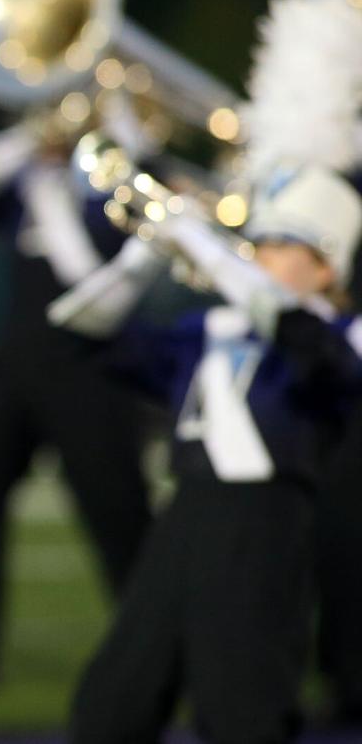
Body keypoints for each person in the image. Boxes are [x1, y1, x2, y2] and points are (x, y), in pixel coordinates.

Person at [50, 162, 362, 742]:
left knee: (243, 712)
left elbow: (301, 338)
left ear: (325, 266)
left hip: (265, 528)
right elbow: (79, 333)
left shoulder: (343, 335)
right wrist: (144, 255)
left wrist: (203, 242)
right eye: (258, 242)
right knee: (111, 706)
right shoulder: (207, 328)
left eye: (281, 244)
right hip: (184, 517)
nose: (259, 254)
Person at [0, 133, 152, 689]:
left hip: (92, 374)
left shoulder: (125, 179)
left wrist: (54, 190)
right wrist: (30, 140)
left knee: (118, 517)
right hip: (13, 368)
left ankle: (156, 650)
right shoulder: (26, 177)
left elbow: (93, 277)